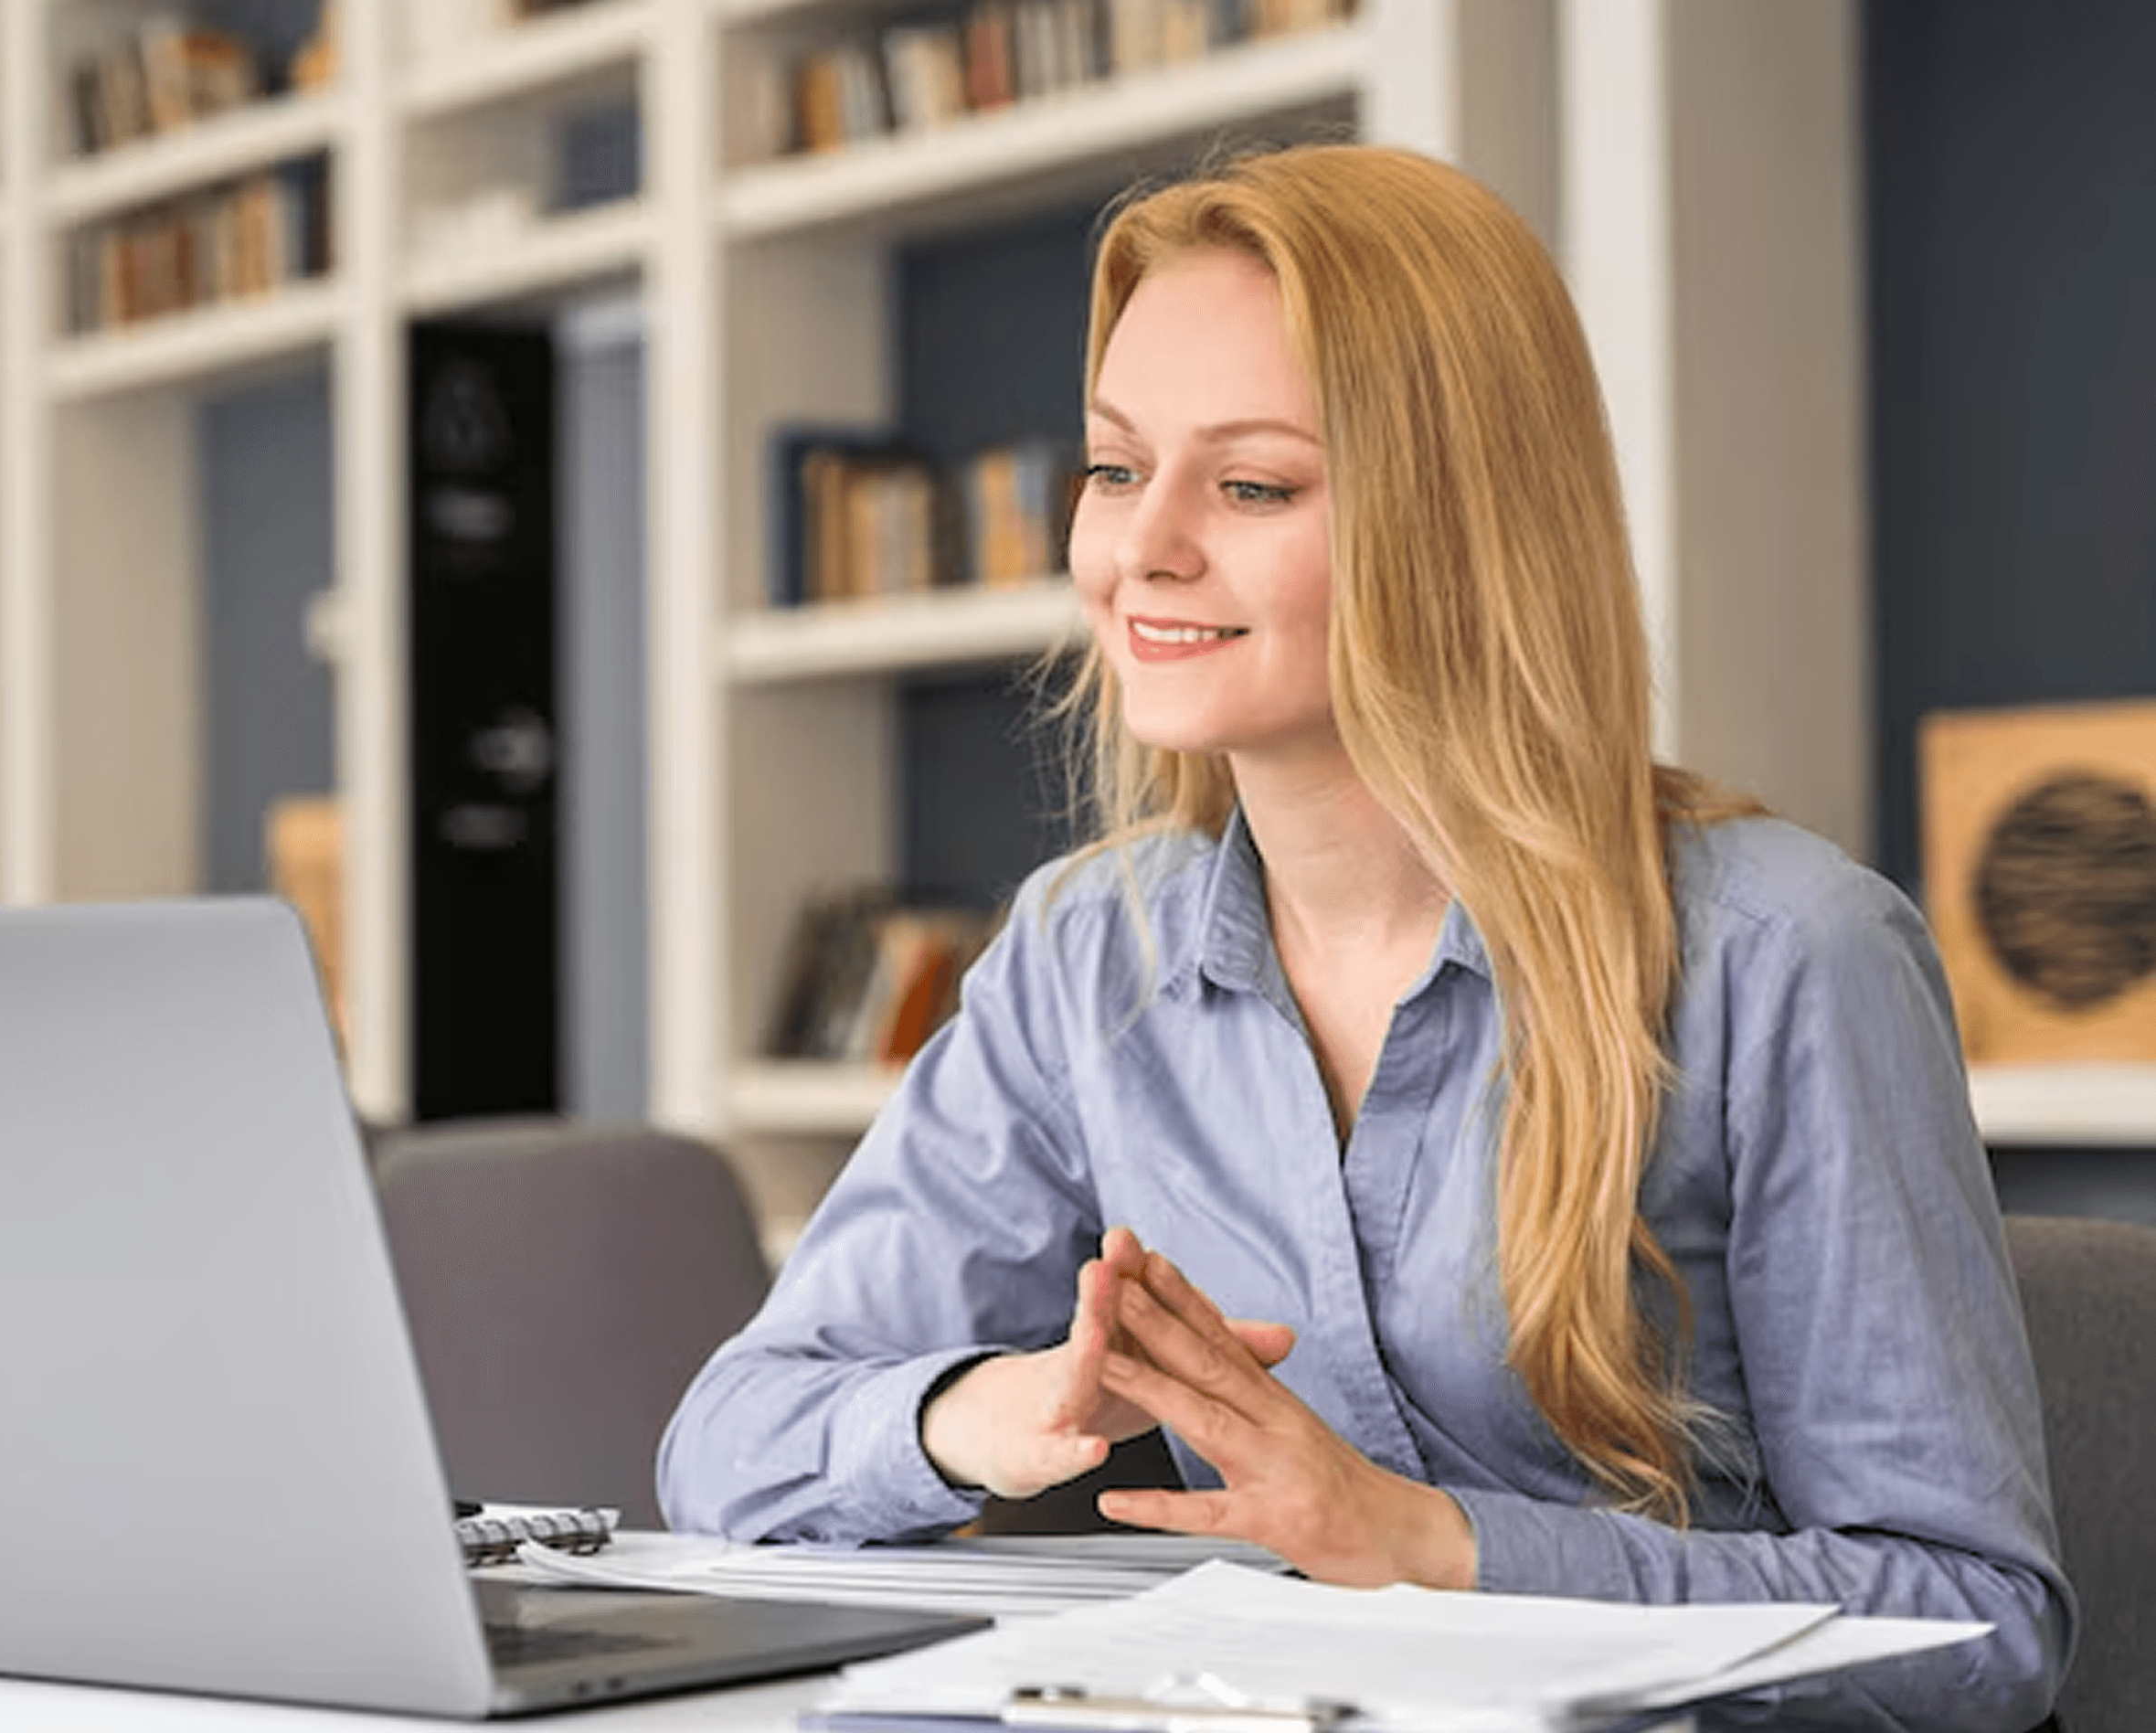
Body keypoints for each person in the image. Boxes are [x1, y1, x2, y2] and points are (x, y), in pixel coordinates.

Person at [655, 144, 2073, 1733]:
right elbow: (730, 1444)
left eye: (1251, 486)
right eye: (1114, 469)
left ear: (1459, 528)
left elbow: (1978, 1630)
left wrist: (1434, 1550)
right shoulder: (1084, 957)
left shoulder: (1786, 954)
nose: (1141, 546)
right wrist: (980, 1414)